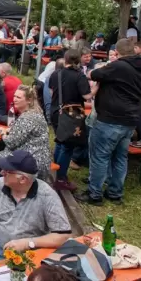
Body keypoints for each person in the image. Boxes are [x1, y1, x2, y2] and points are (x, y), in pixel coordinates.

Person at [76, 38, 141, 205]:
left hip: (110, 119)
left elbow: (91, 74)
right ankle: (115, 193)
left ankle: (95, 194)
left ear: (119, 52)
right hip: (130, 121)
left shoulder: (118, 66)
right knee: (120, 158)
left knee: (100, 157)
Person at [0, 150, 71, 267]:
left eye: (7, 171)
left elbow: (63, 236)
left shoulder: (47, 195)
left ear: (22, 179)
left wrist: (29, 243)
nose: (1, 172)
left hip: (32, 253)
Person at [0, 85, 51, 180]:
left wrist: (3, 134)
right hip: (43, 158)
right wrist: (9, 130)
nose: (14, 99)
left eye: (18, 97)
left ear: (29, 100)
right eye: (14, 96)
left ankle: (6, 184)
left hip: (31, 161)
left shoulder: (26, 118)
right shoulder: (37, 113)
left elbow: (11, 143)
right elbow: (26, 131)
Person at [49, 50, 91, 191]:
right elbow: (87, 96)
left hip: (55, 111)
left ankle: (55, 170)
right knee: (68, 146)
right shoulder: (79, 76)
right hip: (71, 114)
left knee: (59, 141)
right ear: (78, 61)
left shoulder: (56, 73)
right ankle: (61, 178)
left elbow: (51, 92)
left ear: (65, 60)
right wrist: (97, 87)